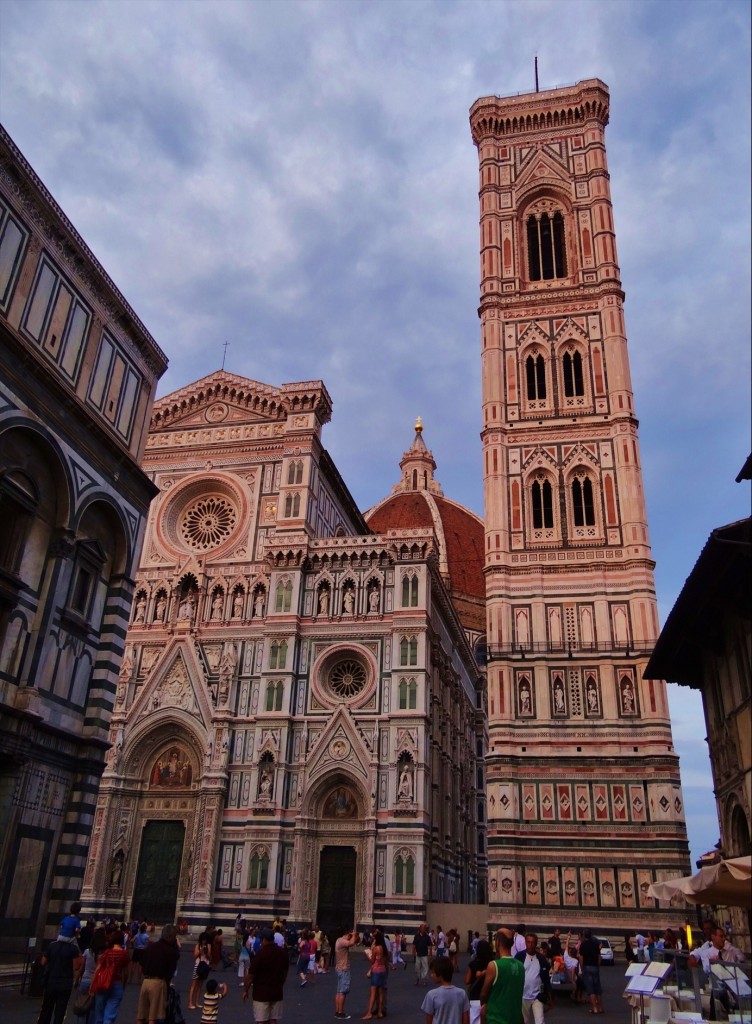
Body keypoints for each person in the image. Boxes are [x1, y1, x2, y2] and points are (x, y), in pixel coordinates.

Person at [136, 924, 180, 1024]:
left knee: (141, 1015)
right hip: (159, 982)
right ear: (170, 936)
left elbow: (142, 964)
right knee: (153, 1017)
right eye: (174, 937)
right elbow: (171, 971)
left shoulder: (151, 947)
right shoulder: (171, 951)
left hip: (146, 981)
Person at [242, 928, 288, 1024]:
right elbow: (285, 973)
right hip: (277, 992)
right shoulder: (283, 953)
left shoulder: (260, 955)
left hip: (261, 994)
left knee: (261, 1021)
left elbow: (250, 976)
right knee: (273, 1020)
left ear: (264, 940)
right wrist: (280, 984)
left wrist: (246, 990)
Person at [479, 929, 524, 1024]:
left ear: (498, 942)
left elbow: (483, 993)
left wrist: (483, 1007)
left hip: (495, 1019)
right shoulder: (521, 966)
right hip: (514, 1019)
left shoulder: (494, 965)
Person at [37, 935, 82, 1024]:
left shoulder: (52, 945)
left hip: (51, 981)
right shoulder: (73, 949)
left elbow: (43, 962)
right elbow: (76, 966)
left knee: (46, 1008)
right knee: (60, 1011)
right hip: (65, 983)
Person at [91, 927, 130, 1024]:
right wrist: (123, 985)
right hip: (117, 983)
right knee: (110, 1015)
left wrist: (93, 985)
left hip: (103, 983)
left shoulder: (107, 952)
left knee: (99, 1015)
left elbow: (97, 970)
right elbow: (126, 972)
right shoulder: (124, 954)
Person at [422, 956, 470, 1024]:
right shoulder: (462, 993)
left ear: (440, 975)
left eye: (433, 972)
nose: (431, 975)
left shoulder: (431, 995)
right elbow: (466, 1019)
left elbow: (429, 1020)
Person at [515, 933, 550, 1024]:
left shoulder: (541, 959)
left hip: (537, 996)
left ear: (536, 943)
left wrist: (549, 996)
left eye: (533, 942)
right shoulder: (519, 957)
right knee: (524, 1021)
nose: (531, 945)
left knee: (540, 1021)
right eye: (529, 942)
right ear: (526, 943)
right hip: (523, 996)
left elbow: (546, 978)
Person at [363, 928, 390, 1018]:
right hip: (383, 970)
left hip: (376, 970)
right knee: (381, 991)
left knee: (373, 992)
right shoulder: (383, 948)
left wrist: (367, 955)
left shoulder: (376, 948)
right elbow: (386, 959)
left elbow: (372, 960)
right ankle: (380, 1012)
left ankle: (369, 1013)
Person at [577, 929, 604, 1015]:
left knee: (590, 988)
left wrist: (582, 968)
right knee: (597, 988)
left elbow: (581, 958)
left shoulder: (583, 945)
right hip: (595, 967)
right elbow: (599, 956)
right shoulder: (595, 944)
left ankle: (594, 1008)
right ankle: (600, 1007)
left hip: (587, 967)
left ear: (584, 935)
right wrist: (598, 965)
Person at [334, 928, 359, 1019]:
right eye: (349, 936)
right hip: (344, 969)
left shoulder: (338, 940)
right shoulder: (342, 941)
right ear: (347, 935)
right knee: (343, 992)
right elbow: (351, 943)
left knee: (339, 992)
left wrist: (354, 936)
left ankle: (337, 1011)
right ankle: (341, 1012)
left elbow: (355, 942)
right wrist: (353, 934)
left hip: (339, 968)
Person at [189, 931, 212, 1010]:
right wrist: (200, 950)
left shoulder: (208, 946)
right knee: (194, 985)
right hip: (198, 965)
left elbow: (209, 957)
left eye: (205, 940)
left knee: (200, 985)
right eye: (203, 940)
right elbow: (195, 956)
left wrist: (207, 950)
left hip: (205, 966)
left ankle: (196, 1002)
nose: (204, 941)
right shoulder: (198, 945)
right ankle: (190, 1002)